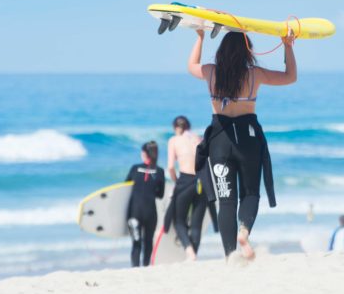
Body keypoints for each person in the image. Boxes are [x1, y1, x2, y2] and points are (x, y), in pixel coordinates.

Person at [188, 28, 297, 259]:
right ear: (248, 51)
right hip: (247, 139)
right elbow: (290, 76)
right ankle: (244, 232)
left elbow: (191, 65)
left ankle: (230, 256)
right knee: (249, 193)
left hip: (219, 141)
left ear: (222, 51)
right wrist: (287, 46)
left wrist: (200, 36)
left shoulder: (210, 72)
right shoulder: (254, 74)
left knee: (226, 201)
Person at [164, 115, 218, 261]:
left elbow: (170, 167)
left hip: (185, 181)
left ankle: (189, 251)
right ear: (188, 126)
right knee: (196, 223)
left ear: (176, 128)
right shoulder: (198, 139)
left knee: (179, 220)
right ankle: (194, 253)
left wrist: (176, 181)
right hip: (202, 182)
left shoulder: (174, 140)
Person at [126, 141, 165, 267]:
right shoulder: (160, 171)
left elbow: (125, 187)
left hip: (134, 212)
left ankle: (135, 268)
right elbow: (160, 195)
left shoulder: (134, 168)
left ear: (144, 153)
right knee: (148, 242)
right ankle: (146, 266)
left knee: (136, 242)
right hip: (150, 212)